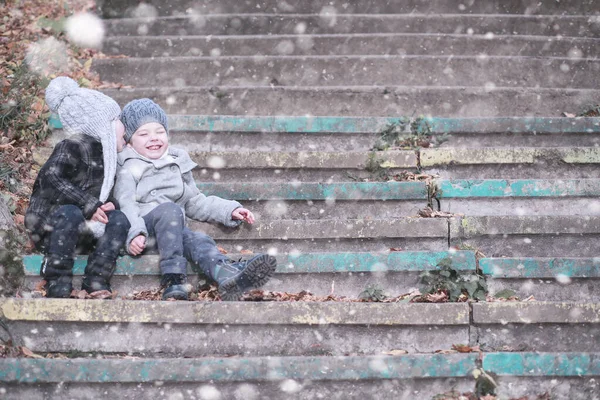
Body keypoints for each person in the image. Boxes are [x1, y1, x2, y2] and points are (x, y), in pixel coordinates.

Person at [114, 98, 276, 301]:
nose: (153, 138)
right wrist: (134, 232)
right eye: (144, 134)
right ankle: (173, 279)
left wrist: (229, 210)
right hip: (145, 230)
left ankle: (225, 274)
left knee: (199, 240)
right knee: (169, 211)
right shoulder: (129, 168)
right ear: (129, 142)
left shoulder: (176, 163)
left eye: (159, 131)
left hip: (173, 232)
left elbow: (195, 202)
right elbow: (125, 205)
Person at [25, 76, 130, 298]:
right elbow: (51, 179)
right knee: (71, 212)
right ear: (101, 125)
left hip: (83, 231)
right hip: (52, 226)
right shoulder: (71, 146)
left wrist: (109, 205)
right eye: (118, 119)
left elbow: (102, 196)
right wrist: (88, 204)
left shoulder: (108, 158)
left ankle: (96, 279)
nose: (124, 127)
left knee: (120, 219)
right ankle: (57, 278)